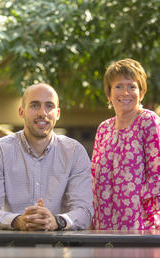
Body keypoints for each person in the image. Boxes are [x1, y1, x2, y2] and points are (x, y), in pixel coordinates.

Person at [0, 82, 93, 231]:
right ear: (21, 112)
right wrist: (17, 221)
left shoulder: (75, 152)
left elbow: (84, 211)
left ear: (58, 113)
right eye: (35, 105)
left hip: (61, 248)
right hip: (13, 245)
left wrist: (56, 221)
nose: (42, 113)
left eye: (49, 106)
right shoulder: (0, 151)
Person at [91, 58, 160, 230]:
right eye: (118, 86)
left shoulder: (149, 121)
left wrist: (134, 199)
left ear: (141, 92)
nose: (125, 92)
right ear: (109, 94)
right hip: (104, 223)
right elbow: (93, 176)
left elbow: (157, 175)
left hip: (140, 224)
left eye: (132, 86)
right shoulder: (103, 129)